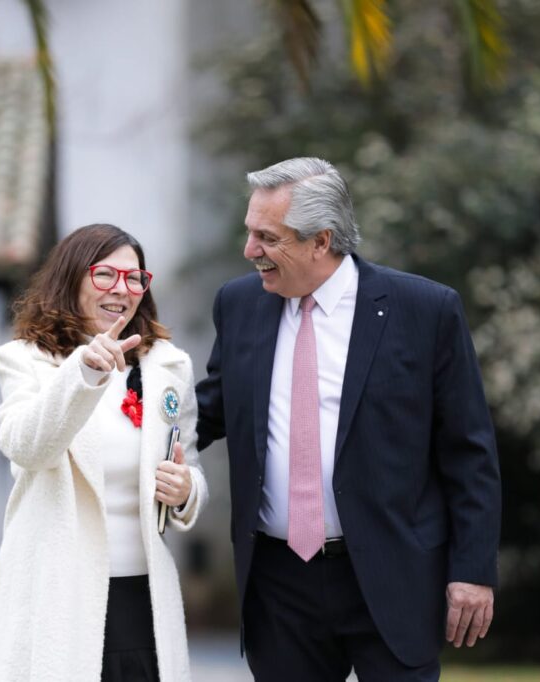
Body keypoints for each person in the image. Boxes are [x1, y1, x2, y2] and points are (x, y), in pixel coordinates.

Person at [195, 158, 501, 681]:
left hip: (393, 574)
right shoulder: (240, 304)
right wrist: (115, 422)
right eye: (250, 233)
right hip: (278, 584)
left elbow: (468, 452)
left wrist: (472, 570)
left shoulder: (425, 311)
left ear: (322, 241)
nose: (250, 252)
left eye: (267, 238)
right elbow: (210, 410)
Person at [0, 223, 208, 682]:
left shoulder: (168, 366)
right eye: (105, 275)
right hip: (58, 595)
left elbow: (192, 467)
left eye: (134, 279)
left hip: (142, 599)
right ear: (72, 278)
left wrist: (186, 490)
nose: (120, 290)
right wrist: (82, 372)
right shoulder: (26, 359)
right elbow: (27, 447)